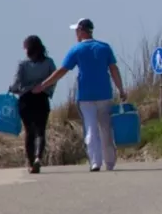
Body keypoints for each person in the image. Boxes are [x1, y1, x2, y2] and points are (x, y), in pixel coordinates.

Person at [34, 18, 127, 172]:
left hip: (85, 96)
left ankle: (95, 162)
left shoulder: (76, 50)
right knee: (106, 128)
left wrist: (43, 85)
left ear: (81, 31)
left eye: (77, 31)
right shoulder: (104, 47)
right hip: (104, 94)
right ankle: (110, 162)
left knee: (90, 128)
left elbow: (62, 71)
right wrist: (121, 89)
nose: (76, 34)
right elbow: (114, 69)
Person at [9, 35, 58, 174]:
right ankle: (38, 157)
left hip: (26, 100)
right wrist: (46, 90)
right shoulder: (49, 62)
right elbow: (54, 79)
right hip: (42, 98)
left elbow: (16, 83)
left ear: (27, 48)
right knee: (40, 130)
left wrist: (12, 89)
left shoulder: (23, 64)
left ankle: (31, 163)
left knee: (29, 132)